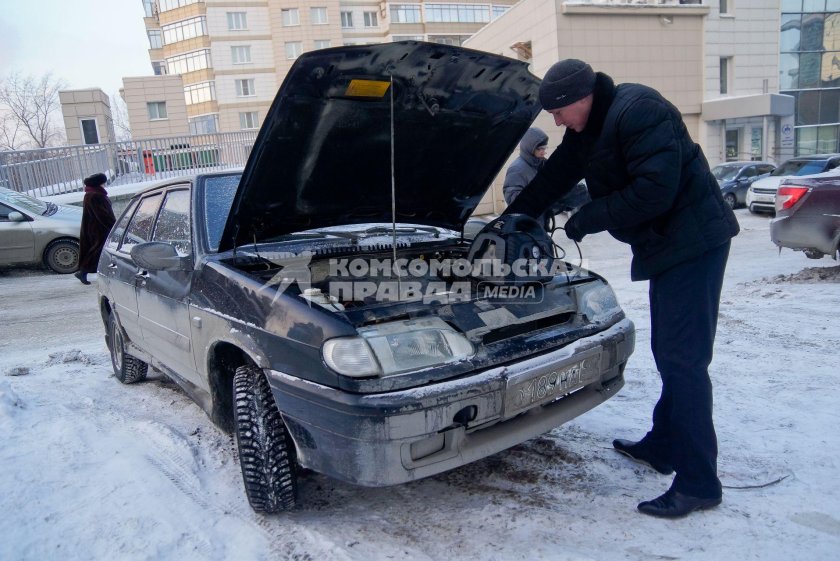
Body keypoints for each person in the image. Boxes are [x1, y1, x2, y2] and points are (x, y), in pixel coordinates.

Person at [503, 59, 739, 518]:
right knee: (672, 352)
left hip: (694, 243)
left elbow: (656, 190)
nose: (554, 121)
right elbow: (553, 178)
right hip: (670, 245)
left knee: (684, 360)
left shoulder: (639, 110)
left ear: (581, 98)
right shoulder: (591, 127)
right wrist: (515, 217)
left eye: (558, 111)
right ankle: (663, 446)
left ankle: (699, 483)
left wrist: (590, 216)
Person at [503, 127, 589, 228]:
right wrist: (544, 201)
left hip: (540, 224)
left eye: (545, 148)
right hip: (525, 226)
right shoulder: (517, 169)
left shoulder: (543, 164)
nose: (543, 152)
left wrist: (564, 198)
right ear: (529, 147)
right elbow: (514, 199)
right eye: (540, 149)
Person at [75, 172, 116, 285]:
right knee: (97, 252)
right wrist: (114, 227)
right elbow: (103, 215)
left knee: (95, 251)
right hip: (99, 230)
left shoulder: (91, 194)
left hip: (94, 228)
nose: (105, 185)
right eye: (103, 183)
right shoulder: (96, 196)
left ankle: (85, 272)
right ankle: (84, 272)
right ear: (99, 184)